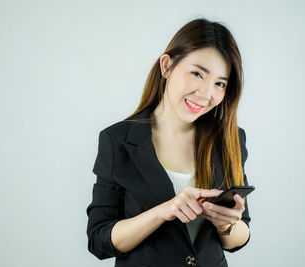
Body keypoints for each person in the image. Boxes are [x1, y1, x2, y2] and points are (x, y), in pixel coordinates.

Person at [86, 18, 252, 267]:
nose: (206, 94)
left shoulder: (230, 138)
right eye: (197, 73)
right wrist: (164, 211)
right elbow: (99, 240)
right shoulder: (117, 140)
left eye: (220, 83)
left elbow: (240, 236)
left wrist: (227, 224)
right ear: (167, 66)